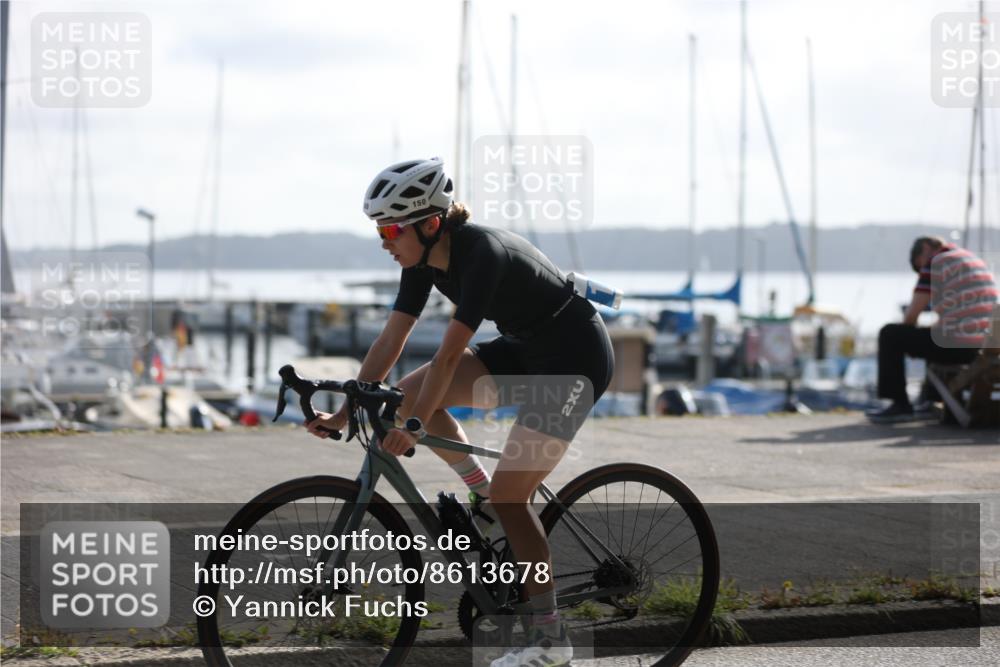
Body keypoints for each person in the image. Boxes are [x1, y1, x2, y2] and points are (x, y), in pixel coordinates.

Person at [306, 157, 615, 666]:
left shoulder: (482, 255)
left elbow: (449, 357)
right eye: (379, 230)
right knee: (406, 399)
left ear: (430, 224)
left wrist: (411, 427)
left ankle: (551, 640)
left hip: (574, 359)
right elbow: (392, 338)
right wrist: (344, 413)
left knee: (514, 497)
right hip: (525, 347)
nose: (384, 240)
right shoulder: (420, 262)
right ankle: (482, 496)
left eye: (390, 228)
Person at [868, 236, 997, 423]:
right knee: (933, 335)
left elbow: (911, 316)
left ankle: (900, 405)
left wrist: (909, 341)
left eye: (919, 268)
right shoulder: (971, 259)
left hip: (961, 345)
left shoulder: (936, 261)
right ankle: (931, 400)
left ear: (926, 248)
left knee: (890, 334)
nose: (921, 273)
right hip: (985, 346)